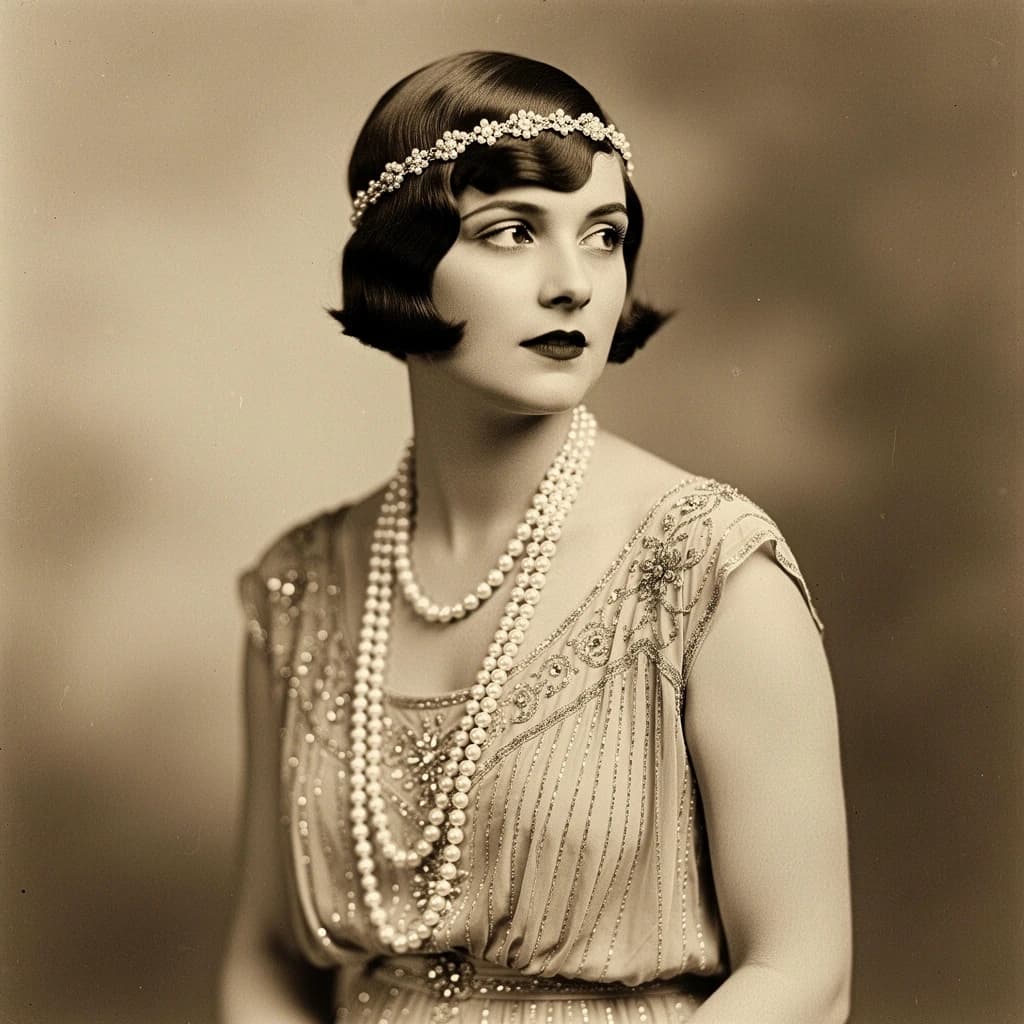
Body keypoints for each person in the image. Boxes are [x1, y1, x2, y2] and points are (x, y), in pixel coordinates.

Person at [219, 51, 851, 1024]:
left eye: (605, 236)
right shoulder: (296, 586)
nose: (573, 285)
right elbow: (267, 958)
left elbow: (803, 971)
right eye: (511, 231)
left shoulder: (710, 568)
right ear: (400, 252)